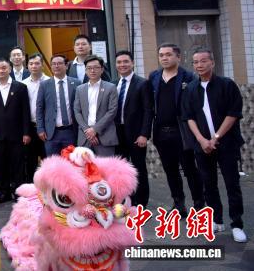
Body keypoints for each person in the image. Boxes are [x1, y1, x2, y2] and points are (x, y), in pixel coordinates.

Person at [183, 48, 246, 243]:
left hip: (227, 143)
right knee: (208, 184)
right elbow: (189, 117)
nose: (199, 65)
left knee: (232, 184)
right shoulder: (191, 88)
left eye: (203, 61)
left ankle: (237, 224)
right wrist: (202, 140)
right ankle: (216, 220)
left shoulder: (227, 85)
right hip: (202, 146)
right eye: (195, 62)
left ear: (213, 62)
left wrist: (216, 137)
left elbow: (233, 113)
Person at [149, 43, 204, 217]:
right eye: (161, 55)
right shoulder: (154, 76)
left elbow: (196, 105)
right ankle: (179, 203)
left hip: (182, 132)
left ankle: (199, 205)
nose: (164, 58)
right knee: (170, 170)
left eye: (168, 54)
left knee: (190, 170)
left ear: (178, 57)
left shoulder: (189, 77)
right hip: (161, 132)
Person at [113, 50, 153, 207]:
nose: (122, 65)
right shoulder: (114, 83)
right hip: (117, 133)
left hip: (136, 134)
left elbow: (148, 110)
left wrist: (144, 134)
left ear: (132, 63)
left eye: (125, 61)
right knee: (122, 169)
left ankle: (141, 203)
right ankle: (127, 199)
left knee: (138, 169)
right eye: (119, 62)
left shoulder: (142, 83)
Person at [0, 58, 31, 203]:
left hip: (17, 134)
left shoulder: (20, 87)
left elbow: (26, 111)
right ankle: (3, 192)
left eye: (4, 68)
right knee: (1, 164)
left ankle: (18, 192)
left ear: (9, 69)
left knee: (17, 164)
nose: (1, 71)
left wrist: (26, 132)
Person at [73, 55, 118, 156]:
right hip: (85, 137)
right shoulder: (80, 89)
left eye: (96, 67)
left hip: (105, 135)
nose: (92, 71)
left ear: (102, 69)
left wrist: (95, 129)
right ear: (85, 70)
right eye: (89, 68)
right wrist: (87, 131)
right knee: (84, 166)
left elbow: (112, 111)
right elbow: (77, 111)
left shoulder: (111, 87)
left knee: (105, 166)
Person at [36, 54, 80, 156]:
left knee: (71, 161)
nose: (56, 66)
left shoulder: (76, 83)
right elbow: (39, 108)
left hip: (71, 131)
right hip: (51, 132)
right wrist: (40, 129)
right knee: (53, 162)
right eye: (54, 64)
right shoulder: (44, 85)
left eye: (59, 63)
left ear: (66, 66)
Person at [21, 53, 50, 183]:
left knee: (47, 159)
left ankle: (48, 186)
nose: (34, 66)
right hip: (30, 127)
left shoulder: (50, 81)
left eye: (37, 63)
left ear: (42, 65)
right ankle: (32, 186)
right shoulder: (23, 84)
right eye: (31, 64)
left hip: (47, 128)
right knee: (30, 160)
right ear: (27, 66)